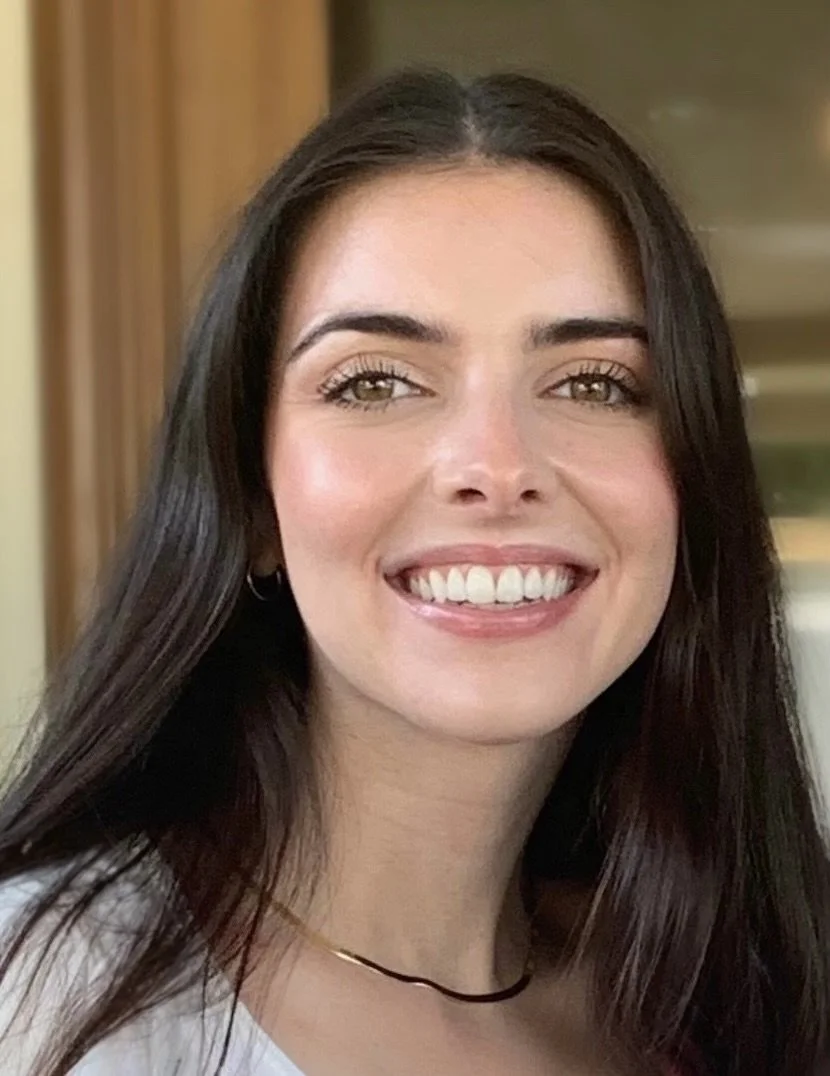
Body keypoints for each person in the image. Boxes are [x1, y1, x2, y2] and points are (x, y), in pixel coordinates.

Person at [0, 67, 827, 1076]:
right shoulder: (43, 995)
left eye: (592, 382)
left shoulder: (751, 994)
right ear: (252, 499)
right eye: (375, 381)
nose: (495, 466)